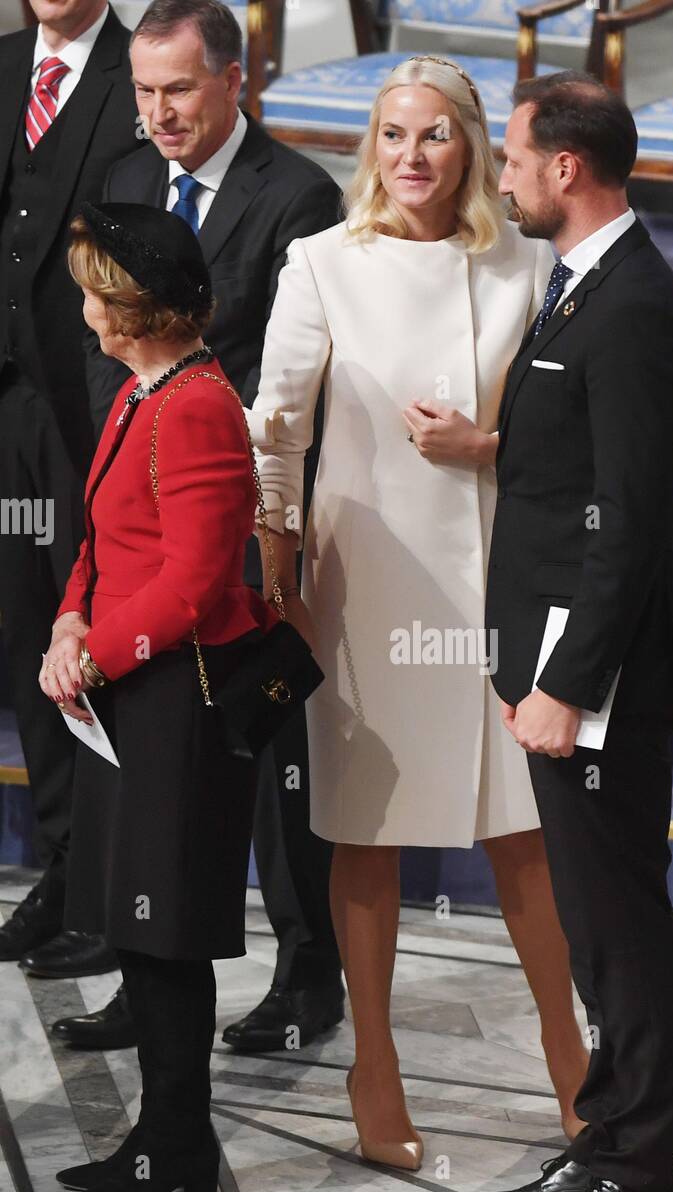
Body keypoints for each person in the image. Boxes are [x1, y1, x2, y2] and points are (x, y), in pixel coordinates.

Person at [248, 56, 591, 1172]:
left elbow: (575, 428)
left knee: (521, 830)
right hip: (366, 587)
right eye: (392, 135)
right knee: (366, 828)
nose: (410, 157)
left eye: (434, 136)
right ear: (370, 149)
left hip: (499, 589)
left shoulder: (528, 267)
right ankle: (375, 1063)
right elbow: (276, 436)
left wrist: (483, 446)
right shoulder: (319, 265)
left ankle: (569, 1052)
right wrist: (277, 572)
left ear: (474, 148)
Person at [48, 0, 345, 1051]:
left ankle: (310, 975)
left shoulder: (299, 196)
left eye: (178, 89)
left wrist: (209, 466)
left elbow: (293, 367)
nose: (159, 113)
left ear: (234, 78)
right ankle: (144, 977)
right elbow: (102, 342)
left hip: (253, 507)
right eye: (142, 91)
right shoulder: (128, 178)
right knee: (151, 783)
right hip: (139, 485)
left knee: (269, 758)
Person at [463, 71, 673, 1192]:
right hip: (559, 668)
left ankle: (637, 1169)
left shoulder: (636, 308)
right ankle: (607, 1139)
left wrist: (565, 687)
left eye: (512, 156)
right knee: (595, 916)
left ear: (567, 168)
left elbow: (632, 518)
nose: (500, 175)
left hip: (597, 682)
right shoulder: (580, 285)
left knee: (620, 924)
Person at [47, 202, 287, 1192]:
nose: (88, 314)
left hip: (171, 709)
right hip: (125, 695)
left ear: (134, 305)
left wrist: (91, 655)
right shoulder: (143, 390)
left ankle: (175, 1145)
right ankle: (162, 1133)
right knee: (139, 932)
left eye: (98, 295)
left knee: (166, 935)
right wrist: (69, 622)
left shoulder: (193, 406)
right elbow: (104, 540)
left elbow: (194, 584)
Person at [0, 0, 140, 972]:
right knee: (23, 632)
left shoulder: (146, 74)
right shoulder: (7, 63)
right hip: (6, 408)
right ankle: (59, 866)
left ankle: (109, 885)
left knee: (91, 634)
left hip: (89, 412)